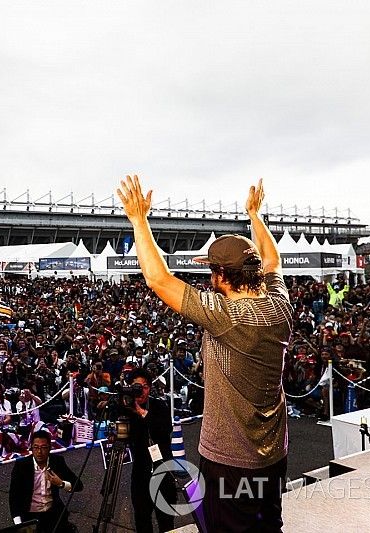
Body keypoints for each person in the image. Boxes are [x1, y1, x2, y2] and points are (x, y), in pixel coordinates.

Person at [117, 176, 291, 532]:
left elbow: (158, 279)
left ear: (221, 276)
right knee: (268, 524)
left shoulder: (226, 316)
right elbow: (273, 260)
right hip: (274, 454)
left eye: (211, 270)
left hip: (230, 461)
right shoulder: (280, 303)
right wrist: (255, 216)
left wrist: (138, 220)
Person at [115, 369, 175, 533]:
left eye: (145, 386)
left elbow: (165, 429)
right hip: (140, 473)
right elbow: (122, 437)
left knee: (166, 520)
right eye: (137, 386)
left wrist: (141, 412)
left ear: (150, 388)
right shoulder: (125, 409)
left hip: (162, 469)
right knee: (142, 519)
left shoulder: (159, 405)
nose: (141, 391)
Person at [8, 429, 83, 533]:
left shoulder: (57, 462)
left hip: (53, 512)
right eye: (36, 447)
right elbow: (13, 497)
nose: (39, 452)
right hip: (30, 515)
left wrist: (61, 484)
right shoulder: (21, 466)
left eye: (43, 448)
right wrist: (19, 525)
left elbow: (79, 485)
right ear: (31, 448)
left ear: (49, 448)